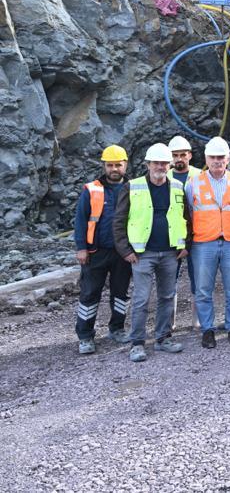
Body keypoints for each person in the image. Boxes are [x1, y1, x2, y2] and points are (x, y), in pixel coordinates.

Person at [113, 143, 190, 363]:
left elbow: (186, 217)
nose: (160, 166)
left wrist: (186, 245)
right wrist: (125, 250)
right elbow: (118, 221)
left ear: (169, 165)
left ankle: (163, 338)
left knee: (167, 296)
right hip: (142, 254)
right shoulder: (132, 187)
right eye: (156, 163)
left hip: (169, 253)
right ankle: (137, 344)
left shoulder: (176, 186)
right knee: (141, 299)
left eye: (164, 163)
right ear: (147, 164)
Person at [185, 136, 230, 349]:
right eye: (213, 157)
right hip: (204, 243)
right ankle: (208, 330)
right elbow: (190, 213)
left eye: (221, 157)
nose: (217, 161)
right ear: (206, 158)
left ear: (228, 158)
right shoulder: (194, 182)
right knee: (203, 289)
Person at [72, 145, 131, 355]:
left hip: (123, 252)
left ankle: (117, 328)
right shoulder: (92, 189)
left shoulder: (133, 188)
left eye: (118, 165)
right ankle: (85, 335)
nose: (114, 169)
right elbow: (80, 220)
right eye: (110, 165)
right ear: (104, 166)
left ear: (126, 165)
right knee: (89, 293)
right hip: (96, 252)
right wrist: (81, 248)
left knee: (121, 293)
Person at [168, 135, 201, 310]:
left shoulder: (200, 175)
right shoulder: (163, 176)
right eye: (175, 155)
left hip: (197, 234)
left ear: (189, 155)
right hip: (172, 236)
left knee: (197, 276)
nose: (179, 159)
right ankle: (169, 321)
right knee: (170, 278)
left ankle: (198, 320)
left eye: (182, 154)